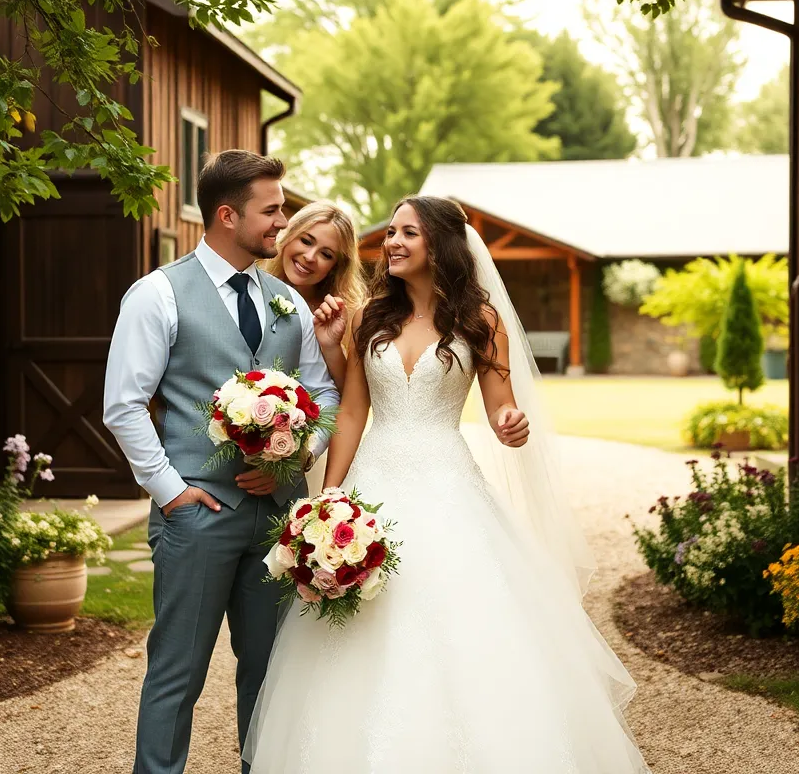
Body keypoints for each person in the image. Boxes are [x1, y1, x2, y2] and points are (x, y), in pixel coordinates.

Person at [243, 196, 650, 773]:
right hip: (372, 484)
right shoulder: (369, 317)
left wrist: (511, 425)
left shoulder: (481, 321)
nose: (393, 243)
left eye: (409, 233)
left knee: (462, 619)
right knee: (357, 621)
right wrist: (327, 499)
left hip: (448, 485)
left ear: (441, 244)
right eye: (392, 233)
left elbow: (501, 408)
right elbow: (354, 412)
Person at [102, 150, 340, 774]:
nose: (282, 223)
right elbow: (124, 405)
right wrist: (170, 492)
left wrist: (299, 453)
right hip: (196, 517)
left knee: (269, 673)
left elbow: (325, 395)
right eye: (272, 210)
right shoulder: (157, 294)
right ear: (227, 215)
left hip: (275, 520)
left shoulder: (287, 300)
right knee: (177, 671)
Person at [260, 200, 365, 492]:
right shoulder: (249, 285)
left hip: (304, 452)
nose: (309, 257)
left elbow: (350, 396)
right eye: (306, 241)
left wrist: (330, 346)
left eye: (326, 254)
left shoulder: (341, 314)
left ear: (335, 266)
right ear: (289, 234)